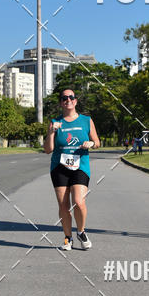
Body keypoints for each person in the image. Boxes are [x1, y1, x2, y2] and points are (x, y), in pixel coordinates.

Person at [44, 88, 100, 250]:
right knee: (63, 205)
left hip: (80, 166)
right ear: (61, 102)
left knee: (79, 202)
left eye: (71, 97)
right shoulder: (55, 122)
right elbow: (48, 149)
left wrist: (91, 143)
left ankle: (81, 232)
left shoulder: (86, 120)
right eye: (64, 98)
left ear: (75, 101)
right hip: (59, 167)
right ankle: (68, 238)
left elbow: (97, 142)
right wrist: (51, 132)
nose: (68, 100)